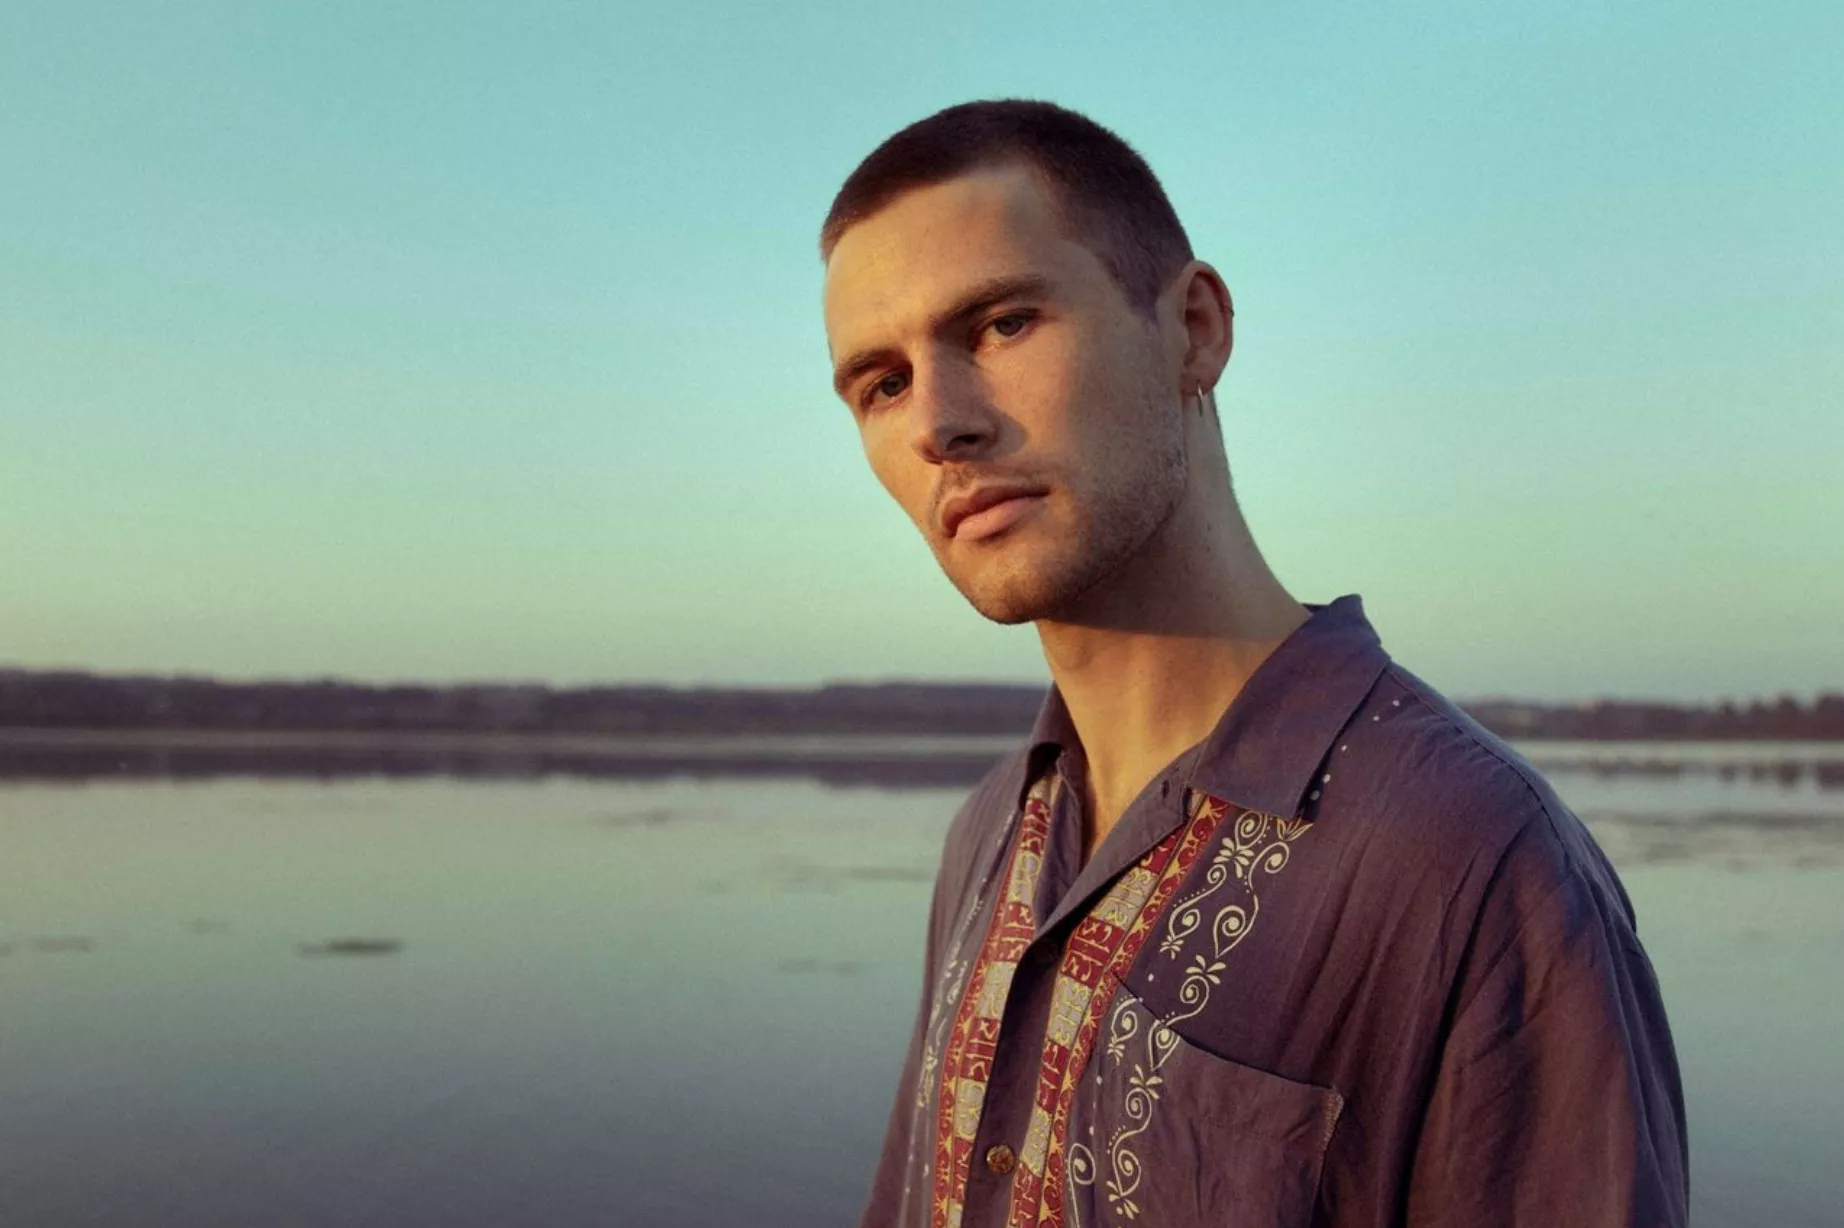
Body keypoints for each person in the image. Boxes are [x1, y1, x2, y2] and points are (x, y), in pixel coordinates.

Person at [819, 99, 1688, 1228]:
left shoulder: (1470, 861)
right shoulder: (991, 833)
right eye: (881, 384)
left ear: (1194, 329)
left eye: (1000, 324)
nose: (937, 424)